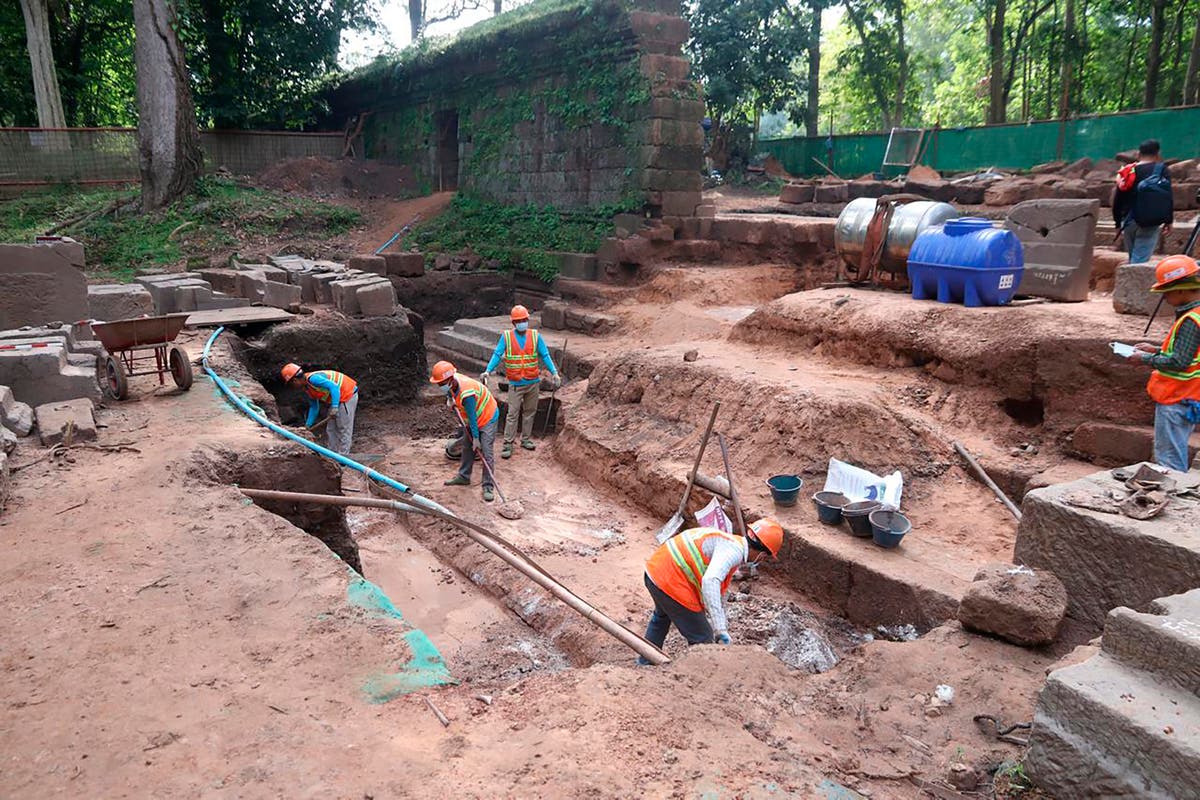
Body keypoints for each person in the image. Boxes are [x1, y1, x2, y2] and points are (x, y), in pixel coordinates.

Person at [638, 518, 784, 664]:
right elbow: (711, 581)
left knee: (661, 618)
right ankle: (697, 681)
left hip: (655, 572)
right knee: (703, 638)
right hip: (670, 582)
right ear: (763, 555)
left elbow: (718, 591)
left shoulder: (729, 542)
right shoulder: (733, 551)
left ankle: (645, 664)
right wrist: (719, 629)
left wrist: (721, 624)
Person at [1125, 255, 1200, 472]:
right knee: (1174, 450)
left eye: (1167, 292)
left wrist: (1144, 359)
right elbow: (1188, 352)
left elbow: (1179, 361)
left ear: (1181, 290)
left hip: (1176, 398)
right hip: (1189, 397)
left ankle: (1173, 498)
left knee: (1169, 459)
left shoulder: (1190, 321)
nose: (1165, 298)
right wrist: (1156, 350)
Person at [481, 304, 561, 459]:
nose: (522, 322)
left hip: (533, 382)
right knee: (512, 414)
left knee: (530, 412)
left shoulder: (535, 336)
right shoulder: (507, 337)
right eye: (519, 320)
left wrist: (554, 373)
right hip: (516, 384)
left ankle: (525, 439)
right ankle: (508, 444)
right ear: (513, 323)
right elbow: (497, 354)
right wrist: (488, 370)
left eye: (524, 320)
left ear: (528, 320)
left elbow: (545, 356)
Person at [431, 360, 499, 502]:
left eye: (441, 384)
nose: (439, 386)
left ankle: (488, 485)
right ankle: (464, 476)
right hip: (473, 417)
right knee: (467, 448)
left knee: (486, 451)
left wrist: (476, 438)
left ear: (449, 380)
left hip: (487, 416)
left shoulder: (466, 393)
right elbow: (451, 393)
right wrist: (450, 398)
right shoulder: (452, 381)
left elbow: (473, 418)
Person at [1113, 139, 1174, 264]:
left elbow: (1118, 199)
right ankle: (1131, 283)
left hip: (1129, 220)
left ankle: (1129, 281)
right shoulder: (1162, 170)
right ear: (1158, 154)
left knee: (1133, 259)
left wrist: (1117, 223)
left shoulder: (1128, 171)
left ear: (1138, 154)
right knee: (1139, 261)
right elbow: (1168, 196)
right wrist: (1169, 220)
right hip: (1150, 221)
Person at [281, 363, 358, 455]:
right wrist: (308, 425)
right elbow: (314, 407)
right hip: (338, 398)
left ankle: (344, 457)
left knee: (343, 427)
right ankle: (332, 454)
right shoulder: (308, 388)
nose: (293, 387)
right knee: (331, 428)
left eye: (291, 384)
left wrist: (334, 407)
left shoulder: (313, 379)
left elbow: (334, 386)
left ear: (295, 380)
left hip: (347, 394)